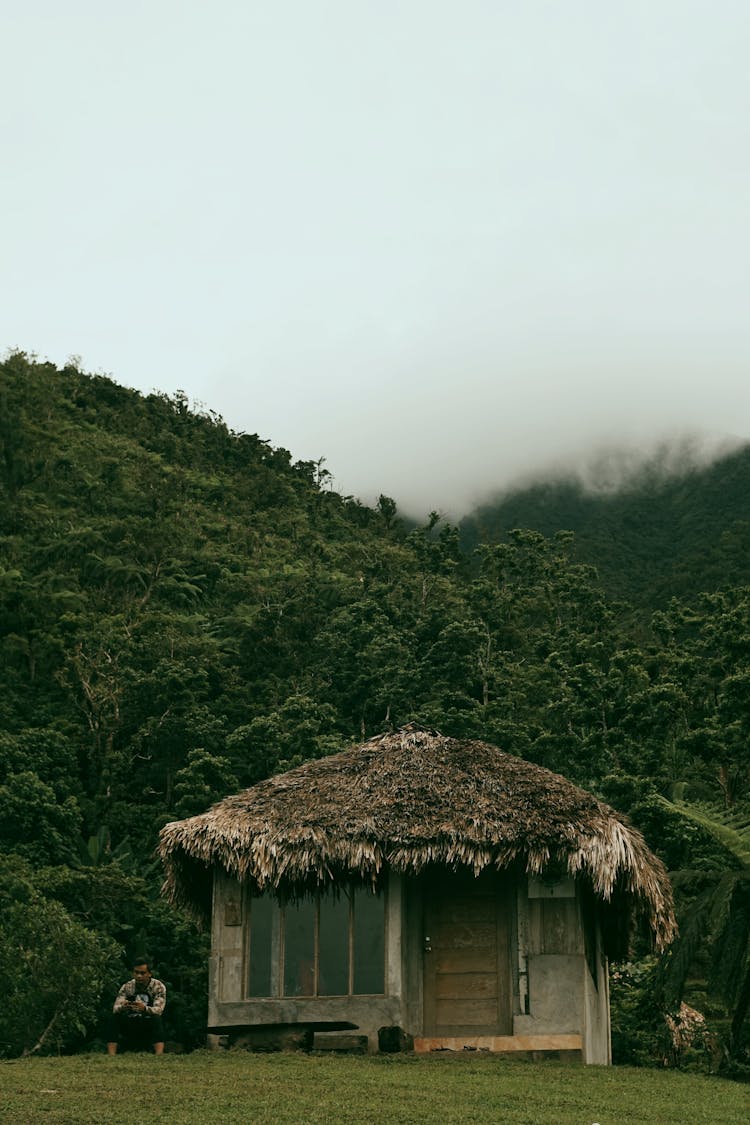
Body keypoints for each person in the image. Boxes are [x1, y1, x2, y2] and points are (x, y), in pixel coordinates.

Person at [106, 958, 166, 1055]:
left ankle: (159, 1053)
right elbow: (115, 1008)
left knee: (156, 1019)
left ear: (149, 974)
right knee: (114, 1018)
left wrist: (144, 1009)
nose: (139, 976)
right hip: (130, 1022)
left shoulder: (158, 986)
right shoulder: (127, 986)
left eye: (142, 973)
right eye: (136, 972)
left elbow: (159, 1010)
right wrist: (124, 1007)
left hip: (147, 1022)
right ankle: (111, 1054)